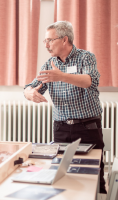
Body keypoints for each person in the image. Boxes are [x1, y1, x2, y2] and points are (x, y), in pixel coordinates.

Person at [24, 21, 106, 193]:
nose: (46, 45)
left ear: (64, 40)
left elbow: (90, 81)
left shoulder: (86, 57)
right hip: (60, 128)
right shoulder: (49, 64)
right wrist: (29, 93)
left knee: (92, 175)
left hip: (88, 126)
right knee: (61, 174)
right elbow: (30, 86)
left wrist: (62, 76)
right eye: (44, 41)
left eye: (50, 40)